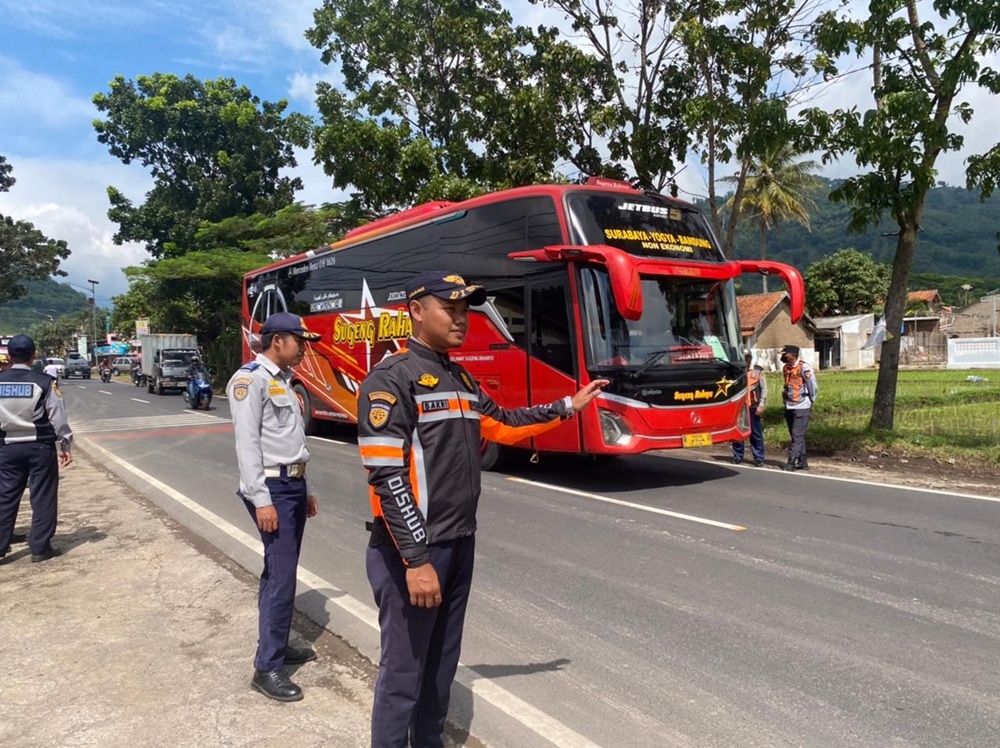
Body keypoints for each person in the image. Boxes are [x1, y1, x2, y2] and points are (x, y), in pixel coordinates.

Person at [357, 271, 607, 748]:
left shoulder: (460, 376)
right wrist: (415, 560)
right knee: (403, 674)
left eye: (464, 309)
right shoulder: (390, 380)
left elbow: (504, 423)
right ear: (416, 310)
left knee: (440, 669)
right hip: (413, 552)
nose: (460, 318)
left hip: (458, 543)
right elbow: (386, 479)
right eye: (448, 308)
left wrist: (566, 407)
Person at [226, 313, 322, 702]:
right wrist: (261, 499)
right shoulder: (250, 380)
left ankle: (277, 644)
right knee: (282, 577)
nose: (305, 347)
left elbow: (290, 441)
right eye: (300, 341)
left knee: (278, 571)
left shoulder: (283, 381)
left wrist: (306, 487)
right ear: (278, 340)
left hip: (292, 484)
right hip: (272, 489)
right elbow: (247, 445)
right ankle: (267, 668)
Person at [0, 335, 73, 563]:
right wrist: (65, 443)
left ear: (9, 356)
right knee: (43, 496)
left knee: (5, 496)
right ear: (34, 355)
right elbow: (58, 417)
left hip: (6, 448)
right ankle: (40, 548)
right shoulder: (43, 382)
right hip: (39, 447)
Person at [780, 344, 817, 471]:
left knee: (797, 435)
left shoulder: (804, 368)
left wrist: (812, 399)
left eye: (785, 354)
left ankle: (791, 461)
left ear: (793, 355)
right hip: (789, 404)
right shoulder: (786, 368)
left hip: (802, 405)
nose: (783, 356)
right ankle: (803, 461)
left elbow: (812, 384)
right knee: (796, 435)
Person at [732, 349, 767, 466]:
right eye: (743, 357)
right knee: (739, 432)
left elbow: (764, 390)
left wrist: (761, 404)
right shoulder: (736, 371)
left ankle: (758, 457)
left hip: (753, 406)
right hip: (740, 408)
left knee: (755, 433)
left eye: (747, 357)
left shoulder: (757, 372)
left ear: (750, 358)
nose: (746, 359)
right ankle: (737, 456)